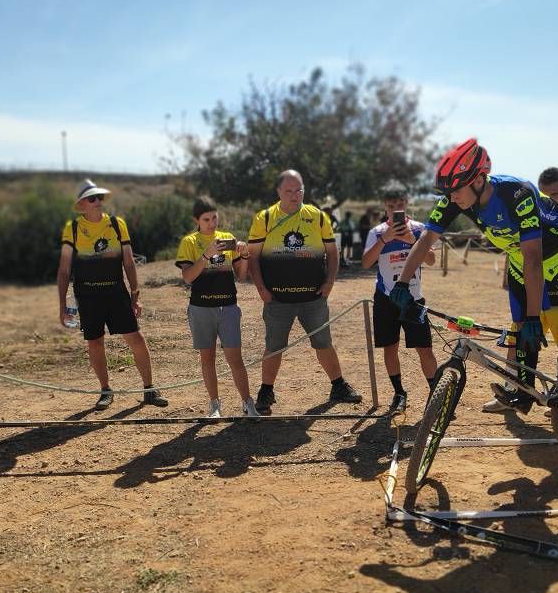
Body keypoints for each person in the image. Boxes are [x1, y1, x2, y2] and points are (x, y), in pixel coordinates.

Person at [390, 138, 558, 414]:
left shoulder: (517, 193)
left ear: (478, 180)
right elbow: (426, 240)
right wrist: (402, 282)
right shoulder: (456, 199)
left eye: (455, 191)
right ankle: (523, 392)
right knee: (521, 324)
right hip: (521, 256)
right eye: (447, 192)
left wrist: (536, 316)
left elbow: (534, 258)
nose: (451, 198)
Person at [483, 166, 558, 413]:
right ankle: (512, 392)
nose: (550, 200)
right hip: (532, 295)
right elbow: (518, 249)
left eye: (556, 194)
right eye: (545, 194)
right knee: (517, 342)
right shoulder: (531, 210)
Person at [247, 169, 363, 415]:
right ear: (278, 192)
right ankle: (266, 391)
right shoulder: (264, 218)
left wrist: (330, 281)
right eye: (288, 191)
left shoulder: (318, 217)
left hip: (314, 299)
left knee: (323, 343)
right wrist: (261, 289)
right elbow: (253, 257)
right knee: (274, 346)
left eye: (298, 190)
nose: (294, 195)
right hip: (278, 299)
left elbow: (332, 253)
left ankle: (338, 386)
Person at [57, 178, 168, 409]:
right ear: (82, 204)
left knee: (136, 338)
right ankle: (106, 390)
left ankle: (149, 389)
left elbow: (129, 262)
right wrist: (62, 307)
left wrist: (136, 295)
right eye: (92, 198)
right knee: (95, 343)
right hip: (87, 297)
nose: (98, 201)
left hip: (116, 293)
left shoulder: (117, 224)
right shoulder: (74, 228)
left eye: (100, 198)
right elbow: (64, 269)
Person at [175, 197, 260, 418]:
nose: (212, 223)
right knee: (208, 358)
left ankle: (247, 402)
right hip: (201, 308)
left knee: (235, 358)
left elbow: (241, 276)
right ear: (197, 220)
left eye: (214, 217)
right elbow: (187, 277)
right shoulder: (189, 242)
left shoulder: (227, 239)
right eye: (206, 219)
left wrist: (244, 255)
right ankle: (215, 404)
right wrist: (206, 255)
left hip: (228, 307)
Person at [362, 180, 439, 414]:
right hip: (385, 298)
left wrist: (412, 242)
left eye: (400, 204)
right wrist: (385, 239)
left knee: (424, 348)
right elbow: (366, 263)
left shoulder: (418, 229)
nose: (396, 208)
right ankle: (399, 393)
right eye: (391, 205)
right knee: (390, 348)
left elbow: (432, 260)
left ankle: (436, 395)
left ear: (406, 203)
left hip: (413, 297)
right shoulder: (376, 233)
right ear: (384, 207)